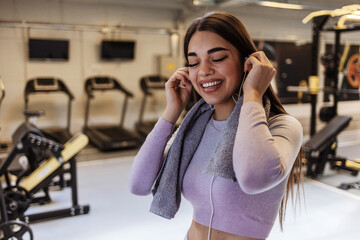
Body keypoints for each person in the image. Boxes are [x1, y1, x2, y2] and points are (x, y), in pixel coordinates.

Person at [129, 11, 303, 240]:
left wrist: (252, 93)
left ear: (247, 62)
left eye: (218, 58)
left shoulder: (281, 126)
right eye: (193, 62)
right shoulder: (196, 127)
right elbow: (138, 184)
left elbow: (253, 178)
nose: (203, 71)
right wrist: (172, 111)